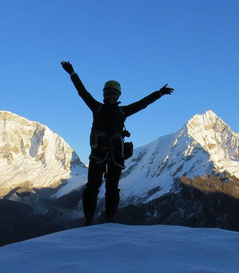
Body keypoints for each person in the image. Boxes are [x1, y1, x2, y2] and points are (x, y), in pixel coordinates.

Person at [61, 61, 174, 226]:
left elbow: (142, 104)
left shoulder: (123, 111)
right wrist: (72, 73)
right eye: (108, 94)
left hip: (114, 155)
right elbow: (82, 92)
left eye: (114, 94)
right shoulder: (96, 107)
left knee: (112, 189)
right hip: (99, 154)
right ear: (104, 95)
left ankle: (110, 219)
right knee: (92, 187)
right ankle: (89, 219)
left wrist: (159, 93)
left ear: (118, 96)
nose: (111, 97)